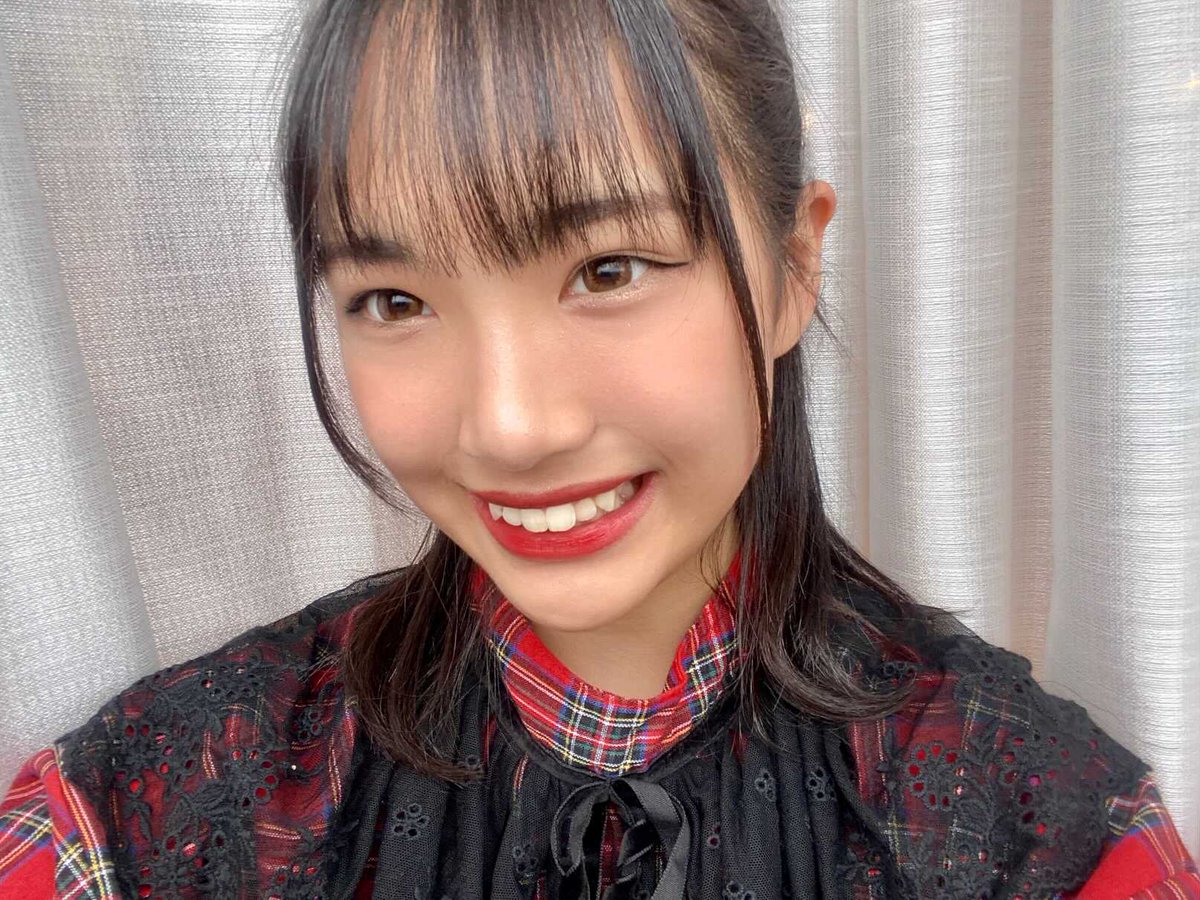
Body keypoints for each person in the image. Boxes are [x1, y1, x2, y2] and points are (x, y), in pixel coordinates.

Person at [2, 0, 1197, 897]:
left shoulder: (1044, 837)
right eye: (395, 300)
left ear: (793, 264)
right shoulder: (158, 812)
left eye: (609, 269)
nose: (511, 425)